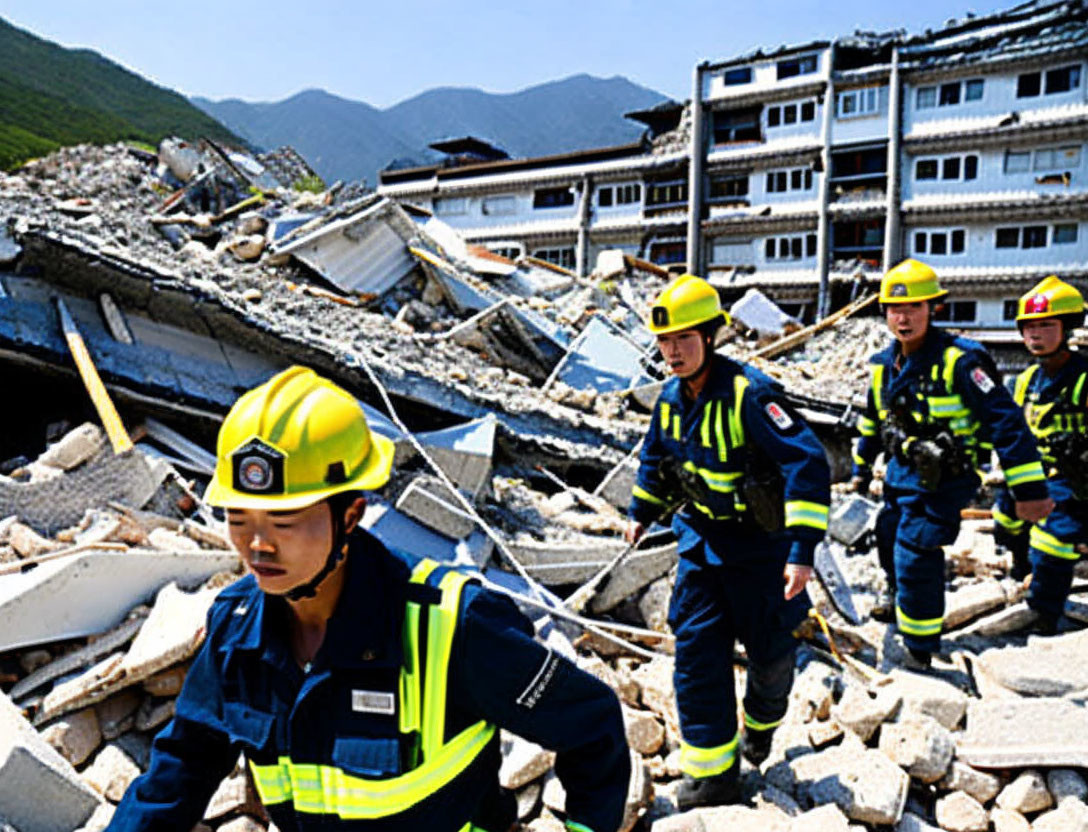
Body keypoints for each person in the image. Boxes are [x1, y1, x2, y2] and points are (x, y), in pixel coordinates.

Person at [108, 366, 630, 832]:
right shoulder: (235, 629)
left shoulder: (453, 625)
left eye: (284, 522)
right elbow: (179, 774)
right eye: (238, 519)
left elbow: (592, 725)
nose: (257, 544)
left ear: (351, 516)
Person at [626, 274, 831, 809]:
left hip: (762, 554)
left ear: (710, 336)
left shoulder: (750, 393)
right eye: (665, 343)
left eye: (684, 340)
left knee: (769, 655)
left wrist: (803, 551)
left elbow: (806, 462)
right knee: (695, 656)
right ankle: (715, 774)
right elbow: (655, 459)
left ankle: (760, 730)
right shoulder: (669, 399)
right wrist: (640, 512)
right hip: (701, 548)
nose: (672, 352)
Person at [851, 259, 1052, 666]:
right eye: (895, 309)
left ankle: (921, 646)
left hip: (947, 477)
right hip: (901, 473)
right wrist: (859, 467)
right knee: (888, 534)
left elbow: (1006, 422)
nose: (903, 318)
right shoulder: (882, 366)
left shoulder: (960, 361)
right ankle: (898, 597)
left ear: (934, 309)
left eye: (914, 309)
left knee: (916, 551)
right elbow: (872, 420)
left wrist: (1029, 491)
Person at [992, 276, 1088, 634]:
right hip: (1032, 474)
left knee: (1054, 539)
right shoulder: (1026, 380)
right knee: (1006, 518)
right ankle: (1020, 566)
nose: (1036, 334)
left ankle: (1045, 613)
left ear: (1067, 328)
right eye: (1029, 326)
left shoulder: (1083, 378)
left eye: (1046, 325)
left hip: (1072, 480)